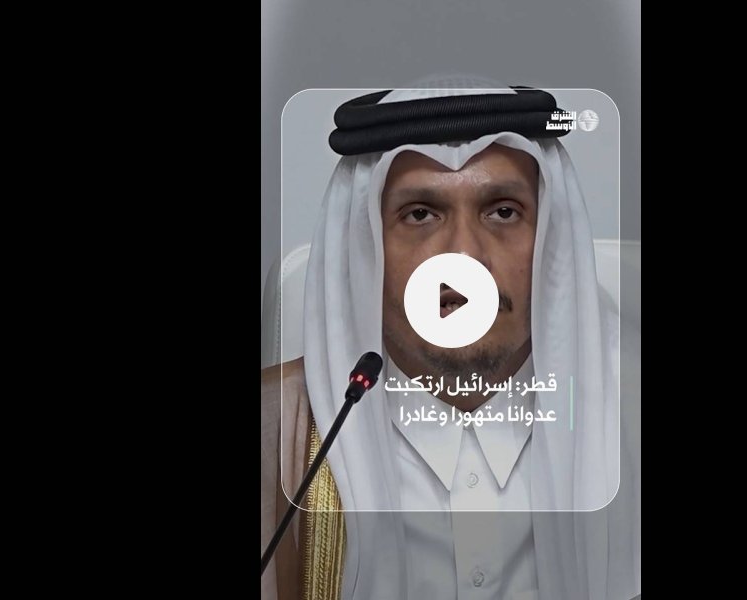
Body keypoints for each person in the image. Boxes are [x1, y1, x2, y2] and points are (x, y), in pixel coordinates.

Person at [262, 77, 641, 600]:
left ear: (552, 244)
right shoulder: (274, 434)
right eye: (419, 214)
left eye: (503, 211)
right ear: (365, 249)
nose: (463, 256)